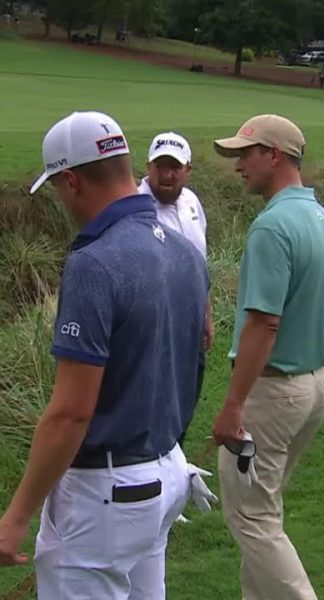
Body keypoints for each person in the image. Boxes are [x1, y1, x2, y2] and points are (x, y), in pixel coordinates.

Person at [0, 111, 212, 599]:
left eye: (56, 186)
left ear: (71, 181)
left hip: (107, 492)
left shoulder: (94, 262)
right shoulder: (184, 252)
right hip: (165, 469)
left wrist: (17, 516)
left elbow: (72, 412)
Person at [212, 114, 324, 599]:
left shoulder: (272, 227)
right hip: (314, 387)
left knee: (252, 518)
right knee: (263, 513)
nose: (238, 167)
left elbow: (265, 323)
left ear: (274, 155)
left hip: (273, 393)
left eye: (245, 155)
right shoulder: (321, 219)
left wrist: (232, 405)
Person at [138, 131, 215, 352]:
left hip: (191, 319)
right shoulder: (135, 206)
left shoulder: (191, 201)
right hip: (153, 325)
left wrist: (206, 314)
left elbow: (200, 264)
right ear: (148, 166)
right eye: (159, 166)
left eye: (175, 167)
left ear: (188, 169)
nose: (166, 175)